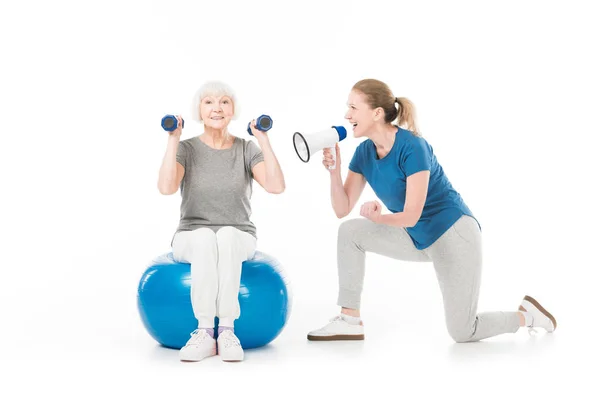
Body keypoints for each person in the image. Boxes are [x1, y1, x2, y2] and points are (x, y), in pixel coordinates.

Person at [307, 78, 556, 343]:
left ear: (377, 113)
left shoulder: (413, 146)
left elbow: (412, 214)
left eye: (353, 108)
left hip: (454, 234)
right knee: (350, 232)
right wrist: (334, 172)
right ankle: (349, 320)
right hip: (416, 237)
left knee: (463, 331)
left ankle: (526, 316)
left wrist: (380, 218)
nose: (347, 115)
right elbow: (341, 209)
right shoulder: (364, 153)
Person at [157, 81, 285, 361]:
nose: (217, 107)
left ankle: (226, 331)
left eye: (224, 101)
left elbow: (276, 186)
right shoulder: (187, 149)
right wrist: (173, 139)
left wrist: (262, 139)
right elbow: (166, 188)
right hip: (190, 234)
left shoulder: (245, 149)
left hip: (239, 234)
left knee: (225, 235)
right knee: (205, 236)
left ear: (233, 110)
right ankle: (204, 332)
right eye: (209, 102)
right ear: (199, 110)